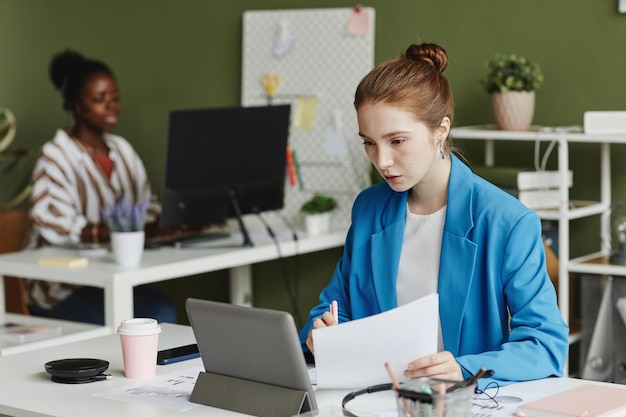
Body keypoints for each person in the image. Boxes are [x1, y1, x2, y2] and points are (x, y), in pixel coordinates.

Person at [299, 43, 569, 387]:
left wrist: (464, 368)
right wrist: (322, 334)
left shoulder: (507, 222)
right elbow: (335, 309)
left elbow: (546, 345)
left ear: (440, 130)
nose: (381, 161)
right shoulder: (369, 208)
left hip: (463, 404)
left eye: (397, 141)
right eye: (369, 142)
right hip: (379, 398)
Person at [26, 49, 176, 325]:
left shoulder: (122, 149)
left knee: (163, 314)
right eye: (99, 99)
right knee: (159, 315)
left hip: (112, 276)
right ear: (76, 105)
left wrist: (174, 222)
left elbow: (146, 207)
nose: (111, 105)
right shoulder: (55, 155)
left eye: (115, 97)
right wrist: (117, 230)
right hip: (61, 289)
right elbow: (53, 224)